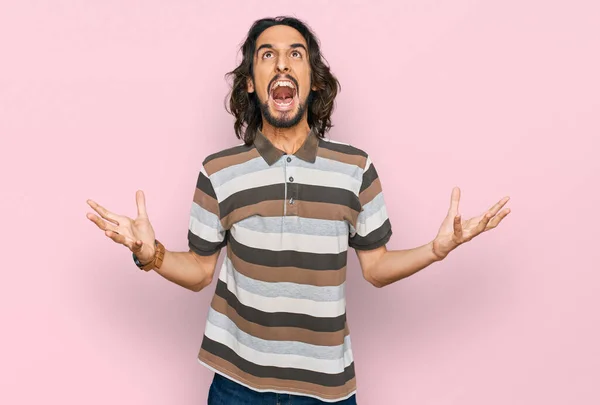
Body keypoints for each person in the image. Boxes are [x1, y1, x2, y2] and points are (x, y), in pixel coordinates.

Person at [86, 16, 510, 405]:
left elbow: (376, 268)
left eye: (296, 54)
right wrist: (148, 253)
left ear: (313, 80)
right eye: (267, 54)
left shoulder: (355, 169)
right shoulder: (218, 172)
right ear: (251, 82)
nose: (282, 63)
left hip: (326, 391)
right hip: (237, 387)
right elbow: (199, 272)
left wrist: (436, 250)